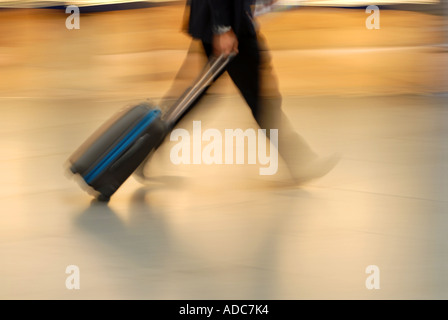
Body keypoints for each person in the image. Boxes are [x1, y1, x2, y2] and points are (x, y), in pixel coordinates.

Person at [140, 0, 339, 184]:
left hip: (229, 19)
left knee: (204, 94)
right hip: (227, 24)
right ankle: (298, 161)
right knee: (257, 97)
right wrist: (222, 28)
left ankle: (144, 148)